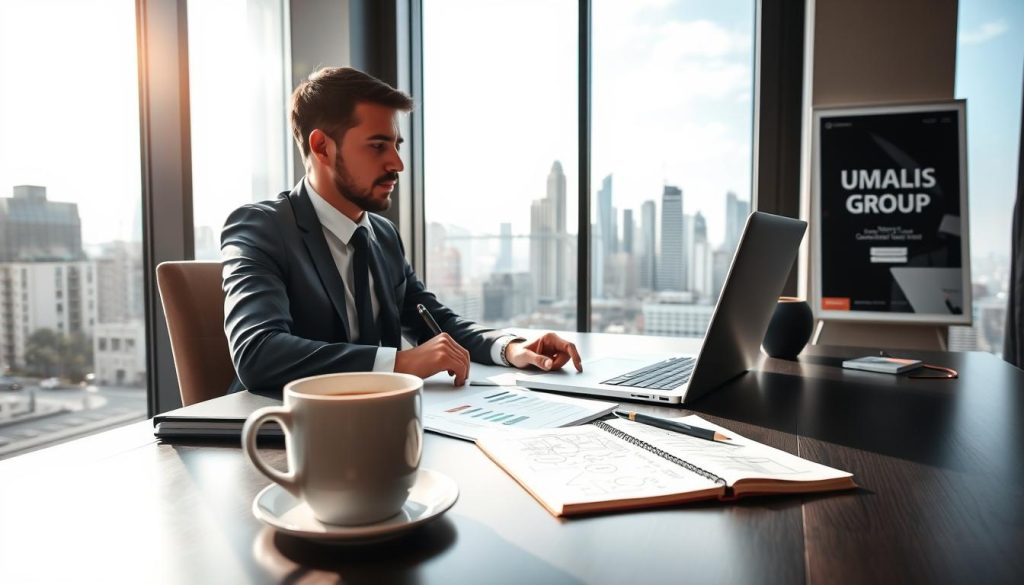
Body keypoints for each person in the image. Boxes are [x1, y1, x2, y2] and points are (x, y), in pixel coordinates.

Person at [221, 66, 582, 397]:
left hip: (376, 428)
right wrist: (400, 364)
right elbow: (258, 352)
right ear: (322, 147)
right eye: (378, 146)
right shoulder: (261, 228)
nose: (397, 163)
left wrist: (512, 348)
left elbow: (434, 323)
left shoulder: (382, 235)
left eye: (396, 145)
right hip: (277, 439)